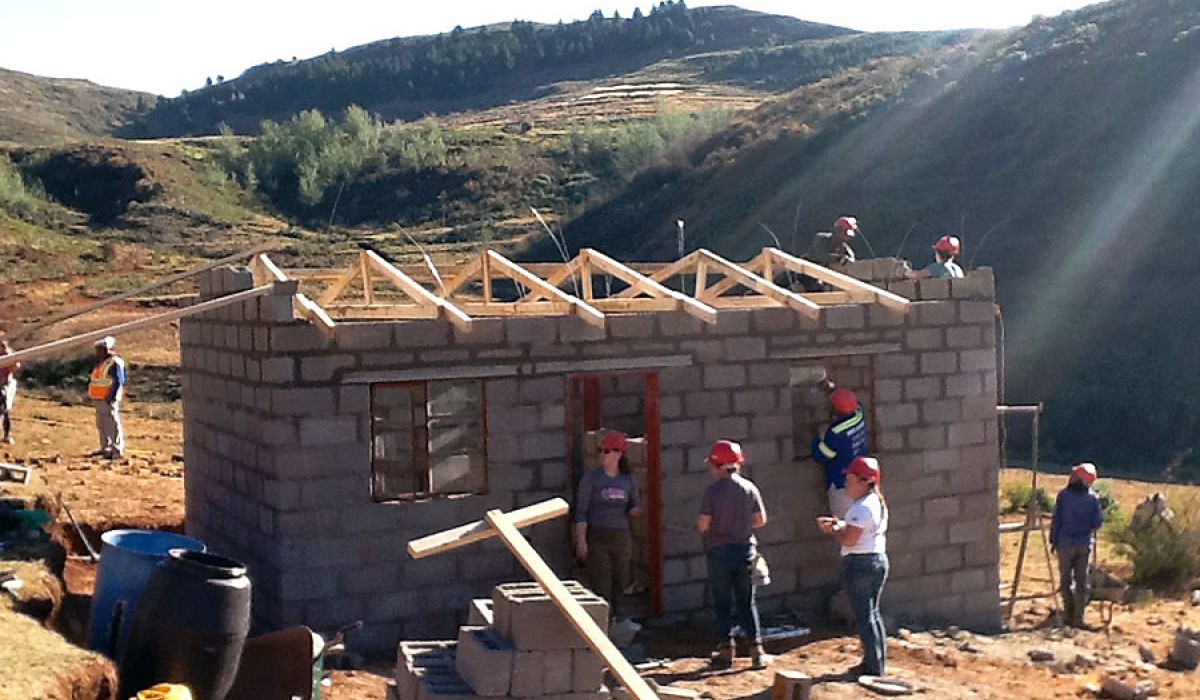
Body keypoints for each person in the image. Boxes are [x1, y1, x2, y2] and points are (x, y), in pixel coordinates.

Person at [698, 439, 768, 669]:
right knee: (747, 601)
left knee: (722, 602)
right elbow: (760, 520)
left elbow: (703, 525)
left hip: (719, 552)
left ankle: (726, 650)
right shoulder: (749, 488)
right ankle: (756, 651)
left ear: (718, 466)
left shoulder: (712, 491)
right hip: (745, 551)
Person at [818, 456, 890, 678]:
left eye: (850, 480)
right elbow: (858, 531)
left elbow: (849, 540)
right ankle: (876, 662)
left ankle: (872, 667)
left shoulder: (861, 508)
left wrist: (835, 530)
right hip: (876, 560)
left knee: (865, 616)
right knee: (873, 614)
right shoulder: (874, 502)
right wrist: (840, 524)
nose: (847, 484)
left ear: (864, 481)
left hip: (860, 564)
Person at [574, 431, 642, 634]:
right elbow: (581, 511)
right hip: (597, 536)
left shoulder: (628, 480)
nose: (603, 455)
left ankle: (619, 623)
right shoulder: (592, 479)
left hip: (620, 536)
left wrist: (635, 511)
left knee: (620, 580)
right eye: (601, 451)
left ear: (618, 454)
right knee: (602, 582)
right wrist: (581, 541)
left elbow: (634, 504)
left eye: (607, 451)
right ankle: (602, 627)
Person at [1050, 462, 1104, 629]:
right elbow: (1098, 523)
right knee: (1082, 582)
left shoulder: (1063, 496)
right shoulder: (1093, 498)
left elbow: (1056, 520)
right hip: (1084, 544)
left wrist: (1053, 540)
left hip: (1065, 544)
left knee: (1065, 581)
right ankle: (1078, 619)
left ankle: (1068, 615)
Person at [812, 388, 869, 517]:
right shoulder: (859, 413)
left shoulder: (836, 432)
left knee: (845, 526)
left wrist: (815, 439)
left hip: (843, 484)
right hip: (863, 480)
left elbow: (822, 455)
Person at [88, 335, 126, 459]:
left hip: (108, 398)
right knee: (102, 423)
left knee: (112, 423)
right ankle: (105, 447)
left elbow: (119, 380)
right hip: (99, 398)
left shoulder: (114, 362)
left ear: (107, 349)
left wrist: (112, 396)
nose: (97, 352)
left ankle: (117, 449)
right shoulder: (101, 363)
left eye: (100, 349)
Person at [798, 216, 859, 292]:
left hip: (819, 271)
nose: (846, 238)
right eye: (844, 234)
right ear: (837, 230)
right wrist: (839, 258)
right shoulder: (821, 238)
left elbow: (851, 257)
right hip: (805, 266)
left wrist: (848, 259)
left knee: (818, 287)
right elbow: (821, 256)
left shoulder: (843, 246)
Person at [0, 339, 19, 444]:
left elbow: (15, 366)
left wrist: (6, 364)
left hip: (4, 385)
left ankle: (7, 435)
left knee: (4, 410)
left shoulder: (8, 354)